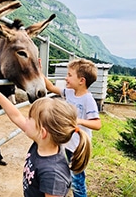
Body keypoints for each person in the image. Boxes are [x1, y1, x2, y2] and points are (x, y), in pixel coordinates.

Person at [0, 73, 91, 197]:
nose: (25, 119)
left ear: (43, 132)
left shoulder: (54, 174)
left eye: (30, 118)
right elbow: (16, 115)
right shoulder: (41, 143)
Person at [43, 58, 101, 197]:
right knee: (67, 174)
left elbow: (97, 124)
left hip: (78, 147)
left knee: (77, 181)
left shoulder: (88, 99)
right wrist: (38, 71)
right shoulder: (68, 92)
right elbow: (50, 87)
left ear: (81, 81)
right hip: (67, 145)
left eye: (69, 75)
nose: (66, 78)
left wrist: (78, 121)